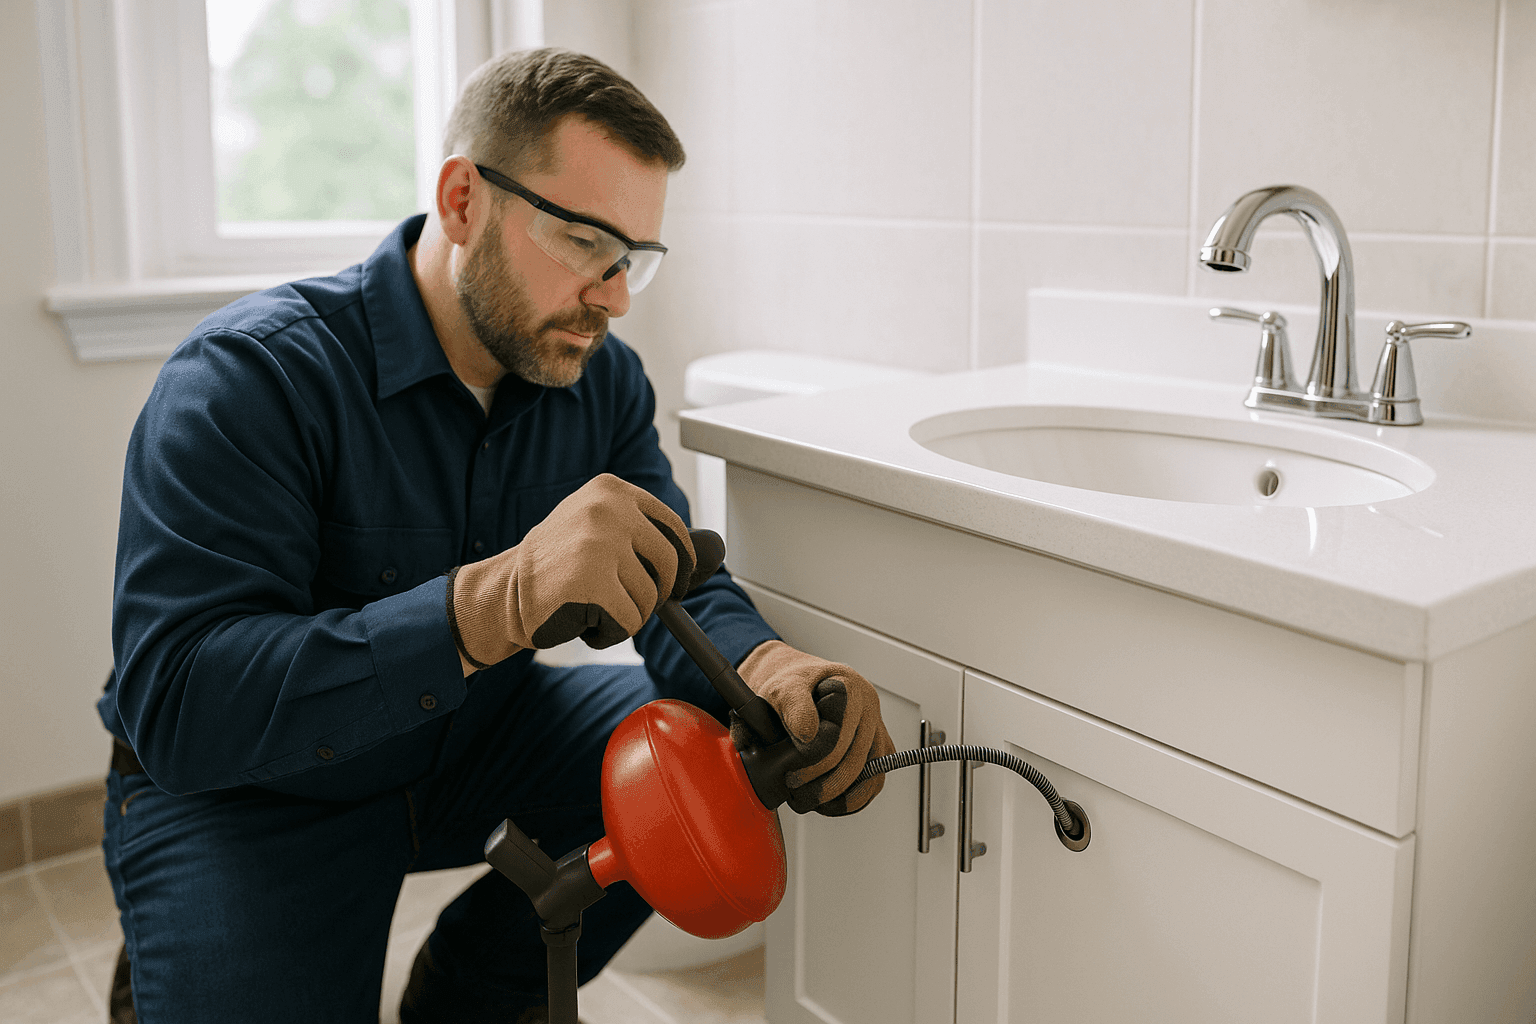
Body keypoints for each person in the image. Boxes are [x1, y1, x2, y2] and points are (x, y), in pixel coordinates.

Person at [99, 47, 895, 1024]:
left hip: (467, 740)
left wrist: (765, 668)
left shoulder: (599, 382)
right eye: (581, 240)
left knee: (707, 767)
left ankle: (479, 986)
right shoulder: (249, 381)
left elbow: (672, 576)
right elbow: (179, 703)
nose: (615, 296)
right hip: (251, 793)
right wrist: (498, 599)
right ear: (463, 199)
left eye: (630, 257)